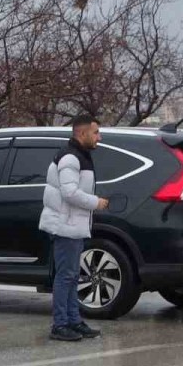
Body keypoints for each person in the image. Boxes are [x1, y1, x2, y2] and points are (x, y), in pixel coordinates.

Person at [38, 114, 110, 342]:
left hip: (73, 226)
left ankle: (73, 321)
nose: (99, 137)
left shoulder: (79, 155)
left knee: (70, 276)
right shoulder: (70, 157)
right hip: (65, 226)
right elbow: (69, 193)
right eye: (95, 132)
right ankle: (60, 325)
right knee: (66, 277)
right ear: (82, 133)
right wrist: (95, 202)